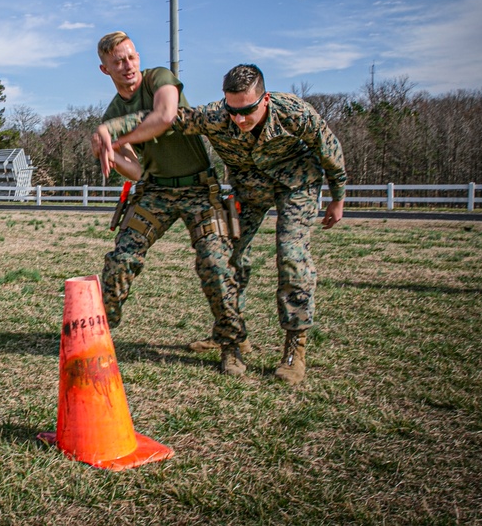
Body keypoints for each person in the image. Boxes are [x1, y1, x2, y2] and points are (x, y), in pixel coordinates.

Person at [99, 64, 346, 384]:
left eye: (248, 111)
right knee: (227, 257)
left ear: (265, 99)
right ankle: (230, 336)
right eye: (233, 110)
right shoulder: (217, 115)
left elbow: (330, 151)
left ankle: (293, 348)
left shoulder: (295, 113)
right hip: (249, 189)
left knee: (291, 253)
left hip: (296, 186)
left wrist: (337, 198)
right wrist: (112, 128)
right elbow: (171, 118)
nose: (239, 119)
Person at [89, 32, 249, 376]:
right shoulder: (114, 110)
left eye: (131, 57)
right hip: (156, 191)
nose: (128, 65)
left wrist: (117, 136)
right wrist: (111, 154)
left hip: (198, 188)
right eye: (118, 61)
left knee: (215, 264)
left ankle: (232, 343)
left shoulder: (159, 77)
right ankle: (101, 334)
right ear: (105, 69)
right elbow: (138, 170)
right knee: (121, 259)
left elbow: (164, 116)